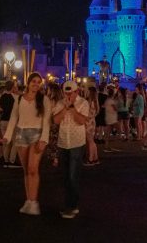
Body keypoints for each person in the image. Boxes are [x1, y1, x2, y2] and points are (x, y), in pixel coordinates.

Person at [2, 73, 51, 216]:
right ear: (28, 83)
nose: (36, 84)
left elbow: (46, 120)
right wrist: (6, 138)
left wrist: (44, 139)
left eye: (38, 82)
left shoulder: (44, 99)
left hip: (37, 134)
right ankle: (28, 200)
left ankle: (34, 203)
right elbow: (13, 118)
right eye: (33, 81)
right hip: (20, 135)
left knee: (32, 169)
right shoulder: (18, 99)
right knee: (25, 170)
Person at [52, 80, 90, 219]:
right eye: (66, 93)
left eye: (71, 93)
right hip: (63, 143)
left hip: (77, 143)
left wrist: (73, 107)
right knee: (65, 176)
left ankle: (72, 206)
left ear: (76, 92)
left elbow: (81, 121)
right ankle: (69, 204)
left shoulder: (83, 103)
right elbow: (56, 120)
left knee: (73, 176)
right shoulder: (60, 103)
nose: (68, 95)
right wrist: (65, 108)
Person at [0, 81, 18, 166]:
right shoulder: (15, 97)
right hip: (12, 121)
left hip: (3, 121)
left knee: (6, 141)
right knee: (15, 142)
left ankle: (6, 160)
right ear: (12, 87)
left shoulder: (2, 96)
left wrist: (1, 109)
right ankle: (12, 160)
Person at [46, 82, 63, 167]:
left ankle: (55, 158)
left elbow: (50, 112)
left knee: (53, 141)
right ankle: (57, 157)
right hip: (60, 122)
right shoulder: (61, 100)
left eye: (48, 89)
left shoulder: (51, 100)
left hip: (52, 122)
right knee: (57, 140)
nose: (47, 91)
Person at [84, 86, 100, 166]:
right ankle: (95, 157)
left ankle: (90, 159)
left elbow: (86, 113)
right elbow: (96, 112)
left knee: (89, 141)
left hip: (88, 122)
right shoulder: (96, 101)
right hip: (93, 121)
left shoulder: (88, 102)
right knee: (92, 141)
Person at [103, 87, 119, 153]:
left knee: (108, 133)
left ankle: (107, 146)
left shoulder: (107, 100)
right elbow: (115, 109)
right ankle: (111, 146)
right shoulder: (111, 101)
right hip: (112, 118)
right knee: (117, 131)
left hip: (108, 117)